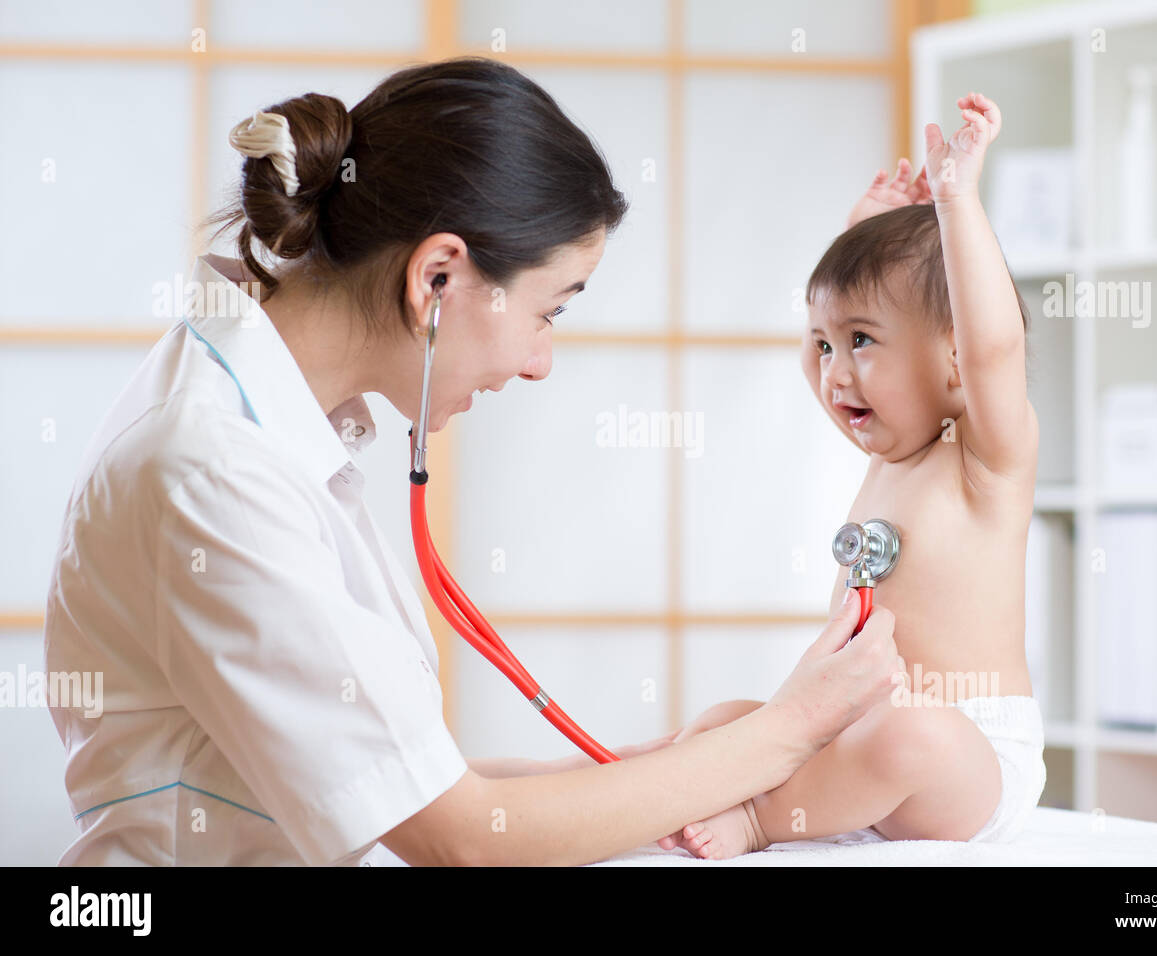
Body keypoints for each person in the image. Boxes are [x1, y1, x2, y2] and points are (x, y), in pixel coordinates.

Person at [43, 56, 902, 867]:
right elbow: (461, 842)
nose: (540, 362)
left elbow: (420, 788)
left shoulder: (274, 423)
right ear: (439, 278)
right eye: (551, 311)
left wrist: (663, 767)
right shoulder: (215, 465)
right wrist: (790, 728)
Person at [660, 93, 1048, 859]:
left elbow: (995, 348)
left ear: (954, 358)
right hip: (856, 730)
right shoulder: (886, 458)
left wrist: (955, 200)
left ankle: (764, 820)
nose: (834, 371)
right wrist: (859, 237)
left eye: (861, 340)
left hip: (968, 753)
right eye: (822, 346)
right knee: (724, 720)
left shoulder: (982, 461)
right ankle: (677, 787)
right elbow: (835, 334)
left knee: (911, 736)